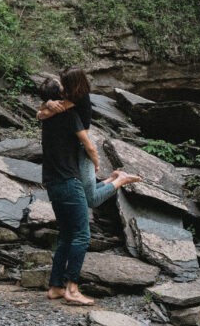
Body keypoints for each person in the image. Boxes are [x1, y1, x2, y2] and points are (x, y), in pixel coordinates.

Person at [38, 76, 140, 306]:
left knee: (66, 236)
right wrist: (95, 163)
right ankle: (72, 289)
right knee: (82, 235)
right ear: (60, 94)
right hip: (68, 181)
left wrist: (45, 105)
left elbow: (42, 112)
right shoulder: (70, 115)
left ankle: (55, 286)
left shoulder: (47, 119)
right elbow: (89, 144)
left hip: (52, 182)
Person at [37, 68, 124, 209]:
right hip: (76, 145)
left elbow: (44, 114)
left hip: (84, 147)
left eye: (63, 82)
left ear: (72, 83)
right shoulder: (72, 93)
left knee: (91, 200)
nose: (62, 86)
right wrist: (48, 103)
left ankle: (121, 180)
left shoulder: (79, 97)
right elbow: (45, 110)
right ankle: (113, 179)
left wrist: (96, 162)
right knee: (83, 192)